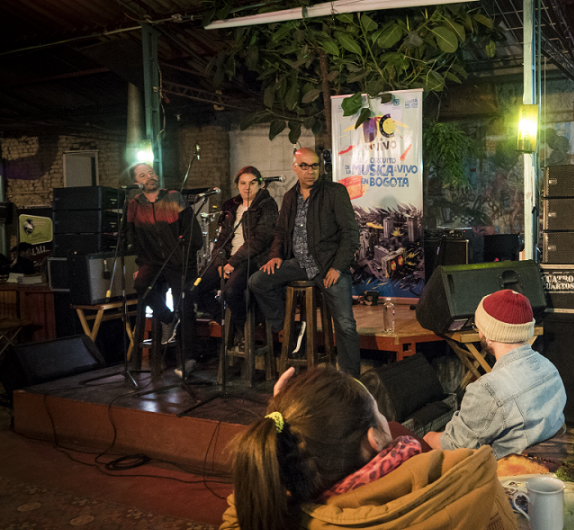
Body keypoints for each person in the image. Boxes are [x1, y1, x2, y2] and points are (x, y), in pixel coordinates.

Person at [220, 366, 517, 530]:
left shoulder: (283, 517)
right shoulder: (469, 479)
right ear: (374, 439)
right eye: (379, 412)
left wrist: (283, 429)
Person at [249, 148, 361, 377]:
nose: (310, 171)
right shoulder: (290, 196)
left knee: (346, 324)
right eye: (304, 166)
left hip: (327, 265)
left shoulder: (335, 192)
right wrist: (276, 256)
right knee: (258, 281)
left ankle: (351, 381)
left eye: (315, 166)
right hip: (298, 264)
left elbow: (351, 233)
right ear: (295, 168)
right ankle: (291, 330)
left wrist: (337, 267)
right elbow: (280, 231)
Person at [423, 289, 566, 459]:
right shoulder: (549, 368)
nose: (479, 333)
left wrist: (427, 437)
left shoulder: (488, 389)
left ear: (490, 335)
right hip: (545, 465)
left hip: (505, 475)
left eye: (479, 327)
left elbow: (454, 446)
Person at [125, 162, 203, 377]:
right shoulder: (134, 205)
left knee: (185, 304)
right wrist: (140, 265)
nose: (149, 176)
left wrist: (185, 259)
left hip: (179, 262)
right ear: (136, 182)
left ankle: (188, 359)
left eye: (151, 172)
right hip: (152, 262)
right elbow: (133, 239)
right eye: (143, 174)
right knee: (141, 284)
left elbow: (194, 235)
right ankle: (168, 318)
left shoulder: (173, 197)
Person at [192, 166, 278, 351]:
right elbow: (222, 238)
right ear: (237, 185)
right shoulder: (231, 206)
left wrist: (232, 263)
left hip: (252, 259)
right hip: (228, 258)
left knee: (230, 292)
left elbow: (259, 240)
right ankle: (226, 320)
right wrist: (220, 261)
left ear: (261, 184)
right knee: (196, 289)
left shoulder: (267, 205)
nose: (247, 187)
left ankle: (243, 329)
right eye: (243, 183)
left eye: (252, 183)